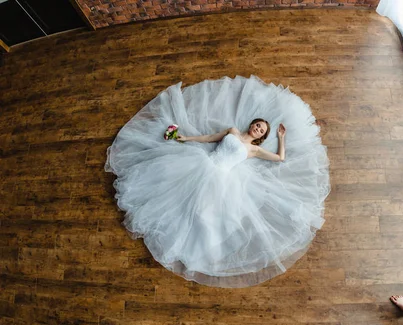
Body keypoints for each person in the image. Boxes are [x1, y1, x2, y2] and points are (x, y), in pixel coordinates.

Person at [105, 76, 330, 288]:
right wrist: (186, 138)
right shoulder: (232, 130)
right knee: (177, 192)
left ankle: (196, 249)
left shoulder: (254, 150)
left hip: (222, 178)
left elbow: (280, 158)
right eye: (257, 124)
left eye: (261, 129)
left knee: (206, 214)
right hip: (204, 163)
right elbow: (210, 138)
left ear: (261, 135)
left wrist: (280, 138)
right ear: (252, 124)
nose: (257, 128)